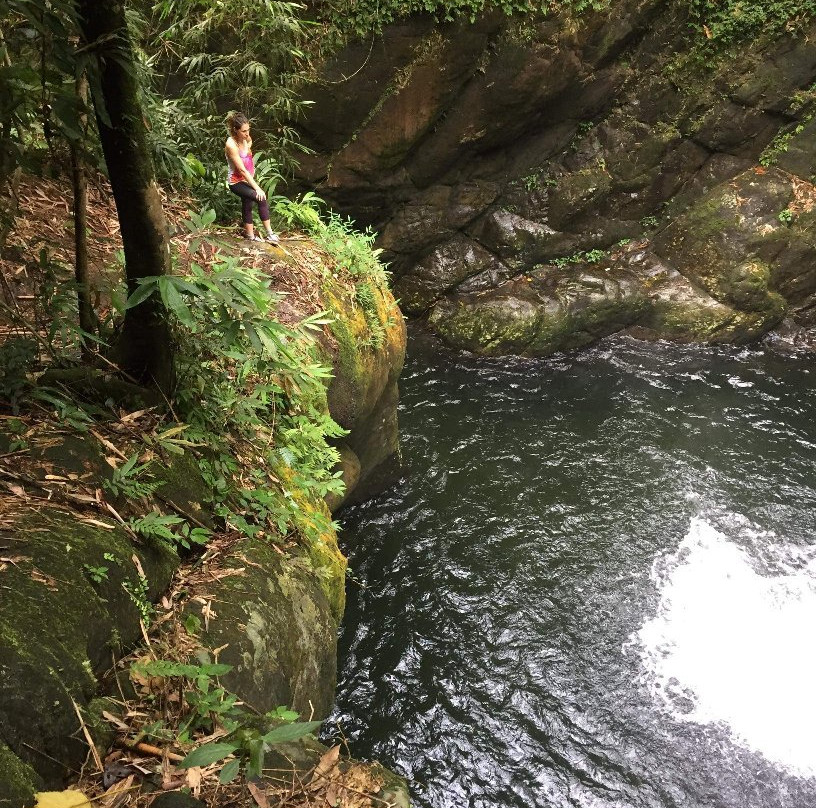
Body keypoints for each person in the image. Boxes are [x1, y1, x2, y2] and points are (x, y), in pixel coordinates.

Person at [225, 112, 280, 245]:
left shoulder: (247, 139)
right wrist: (257, 188)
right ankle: (270, 234)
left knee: (248, 202)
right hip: (236, 182)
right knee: (261, 197)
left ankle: (249, 235)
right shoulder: (231, 144)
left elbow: (248, 156)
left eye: (248, 130)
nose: (247, 134)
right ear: (235, 130)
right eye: (244, 131)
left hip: (247, 180)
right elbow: (242, 170)